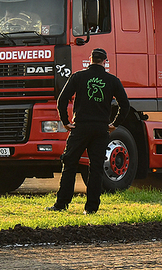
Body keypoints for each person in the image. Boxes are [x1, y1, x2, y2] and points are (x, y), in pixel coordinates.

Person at [47, 48, 130, 215]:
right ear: (105, 62)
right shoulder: (112, 80)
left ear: (90, 59)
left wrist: (65, 122)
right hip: (101, 129)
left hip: (80, 128)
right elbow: (125, 105)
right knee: (97, 168)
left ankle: (61, 204)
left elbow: (62, 100)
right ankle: (91, 208)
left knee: (70, 163)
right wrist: (114, 124)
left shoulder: (78, 77)